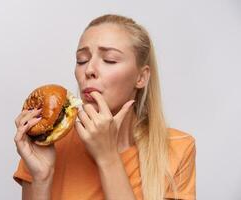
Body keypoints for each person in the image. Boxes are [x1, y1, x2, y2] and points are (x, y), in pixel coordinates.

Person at [13, 14, 196, 200]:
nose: (89, 70)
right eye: (82, 60)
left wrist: (108, 158)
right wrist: (41, 178)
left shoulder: (177, 148)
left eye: (109, 60)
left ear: (141, 77)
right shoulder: (48, 146)